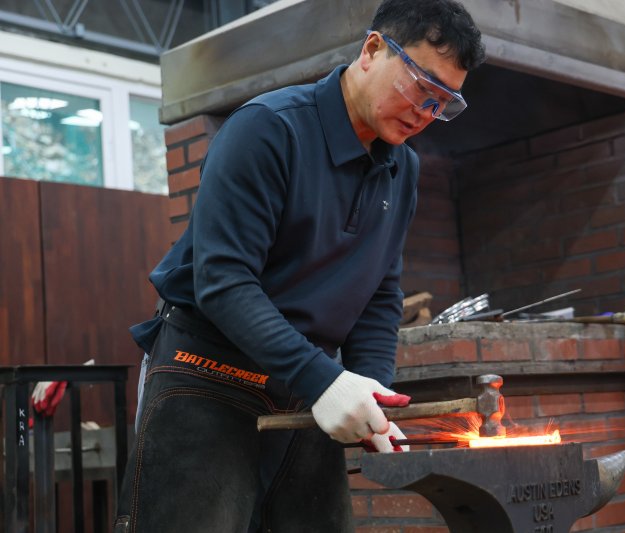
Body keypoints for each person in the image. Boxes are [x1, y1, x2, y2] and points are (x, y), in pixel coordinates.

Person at [114, 0, 485, 531]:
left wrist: (369, 390)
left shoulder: (403, 167)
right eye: (420, 87)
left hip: (307, 386)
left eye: (442, 103)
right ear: (372, 49)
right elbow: (222, 282)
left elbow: (380, 292)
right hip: (209, 377)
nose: (425, 114)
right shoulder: (268, 130)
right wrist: (325, 381)